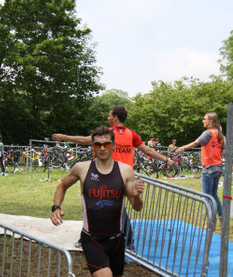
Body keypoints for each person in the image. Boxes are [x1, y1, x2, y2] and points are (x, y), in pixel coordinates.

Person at [51, 125, 145, 277]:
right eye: (97, 144)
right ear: (92, 146)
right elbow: (62, 185)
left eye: (106, 144)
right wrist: (56, 207)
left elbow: (137, 207)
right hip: (92, 239)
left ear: (113, 145)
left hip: (117, 240)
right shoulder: (82, 168)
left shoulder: (125, 171)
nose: (102, 148)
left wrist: (137, 195)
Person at [53, 106, 173, 248]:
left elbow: (85, 140)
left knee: (112, 208)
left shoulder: (108, 134)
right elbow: (147, 150)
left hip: (112, 174)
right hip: (125, 175)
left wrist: (63, 137)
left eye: (109, 115)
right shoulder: (131, 134)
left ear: (116, 117)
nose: (108, 118)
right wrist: (165, 160)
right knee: (110, 207)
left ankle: (126, 243)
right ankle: (97, 238)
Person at [176, 112, 225, 224]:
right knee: (214, 195)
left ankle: (210, 222)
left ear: (210, 121)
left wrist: (183, 147)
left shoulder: (208, 133)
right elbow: (223, 152)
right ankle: (222, 218)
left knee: (207, 197)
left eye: (204, 119)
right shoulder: (220, 135)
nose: (203, 121)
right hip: (218, 168)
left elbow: (195, 143)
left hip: (209, 168)